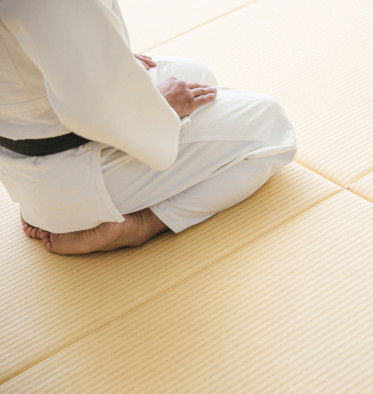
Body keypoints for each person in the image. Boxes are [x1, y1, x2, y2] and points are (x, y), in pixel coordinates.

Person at [0, 0, 296, 255]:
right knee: (272, 125)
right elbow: (93, 112)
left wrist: (108, 61)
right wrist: (159, 107)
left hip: (26, 157)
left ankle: (45, 204)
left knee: (198, 75)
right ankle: (145, 222)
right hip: (74, 177)